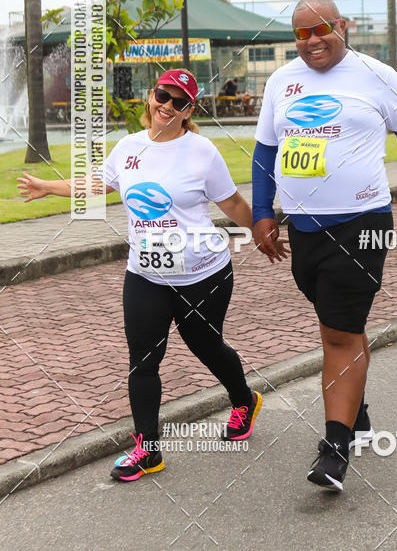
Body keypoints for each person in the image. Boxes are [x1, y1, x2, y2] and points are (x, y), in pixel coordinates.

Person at [252, 0, 397, 492]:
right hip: (303, 229)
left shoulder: (377, 76)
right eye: (301, 33)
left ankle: (335, 448)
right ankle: (357, 413)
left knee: (338, 335)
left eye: (321, 29)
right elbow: (265, 150)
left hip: (363, 224)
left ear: (341, 25)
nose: (312, 41)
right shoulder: (281, 81)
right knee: (340, 324)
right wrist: (262, 212)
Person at [18, 68, 261, 482]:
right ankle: (148, 451)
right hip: (145, 275)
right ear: (151, 96)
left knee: (207, 347)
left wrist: (262, 233)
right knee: (143, 361)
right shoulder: (129, 146)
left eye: (179, 102)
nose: (168, 106)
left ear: (189, 111)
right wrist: (47, 186)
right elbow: (99, 183)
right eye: (163, 96)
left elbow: (233, 203)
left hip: (203, 274)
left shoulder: (202, 152)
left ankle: (244, 400)